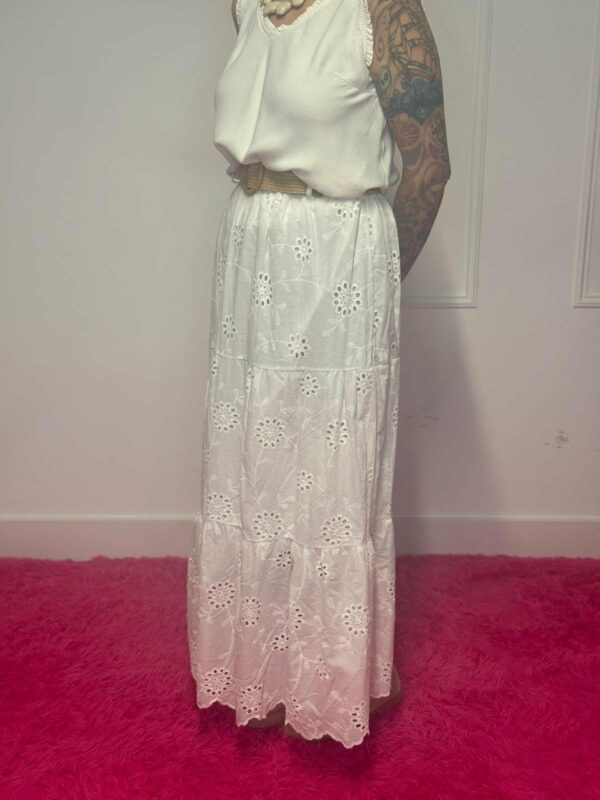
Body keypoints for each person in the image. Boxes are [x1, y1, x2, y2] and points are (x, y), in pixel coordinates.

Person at [186, 0, 451, 748]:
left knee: (332, 466)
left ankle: (332, 673)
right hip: (253, 242)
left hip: (339, 247)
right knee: (256, 456)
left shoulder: (383, 11)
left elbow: (429, 166)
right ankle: (260, 666)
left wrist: (374, 281)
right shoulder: (247, 4)